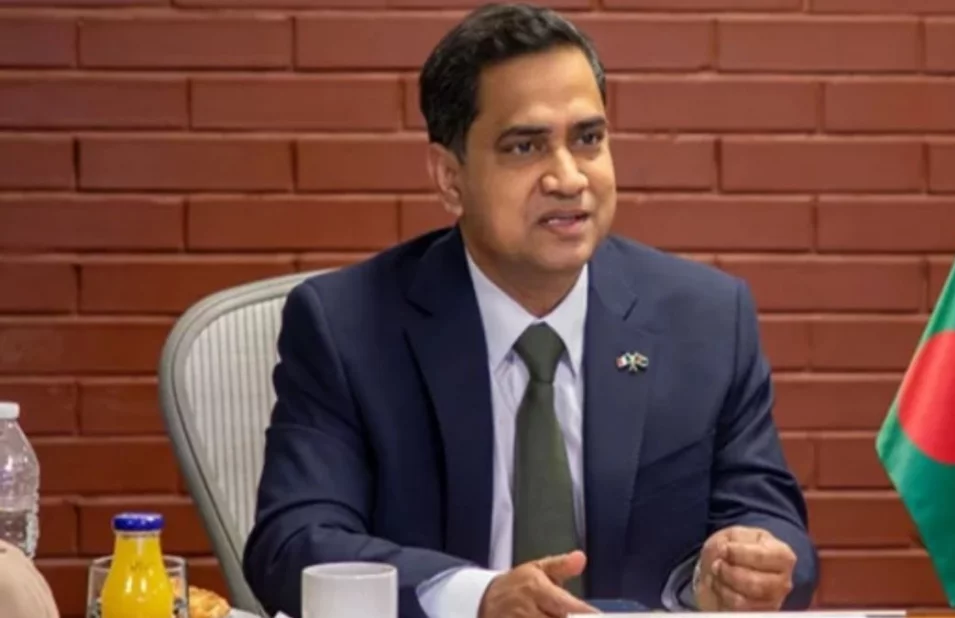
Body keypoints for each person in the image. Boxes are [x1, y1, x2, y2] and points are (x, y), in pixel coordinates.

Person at [242, 3, 818, 617]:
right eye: (525, 147)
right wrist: (476, 598)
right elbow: (294, 544)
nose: (568, 178)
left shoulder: (706, 321)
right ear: (450, 178)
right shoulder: (347, 328)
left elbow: (776, 530)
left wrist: (739, 571)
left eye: (588, 139)